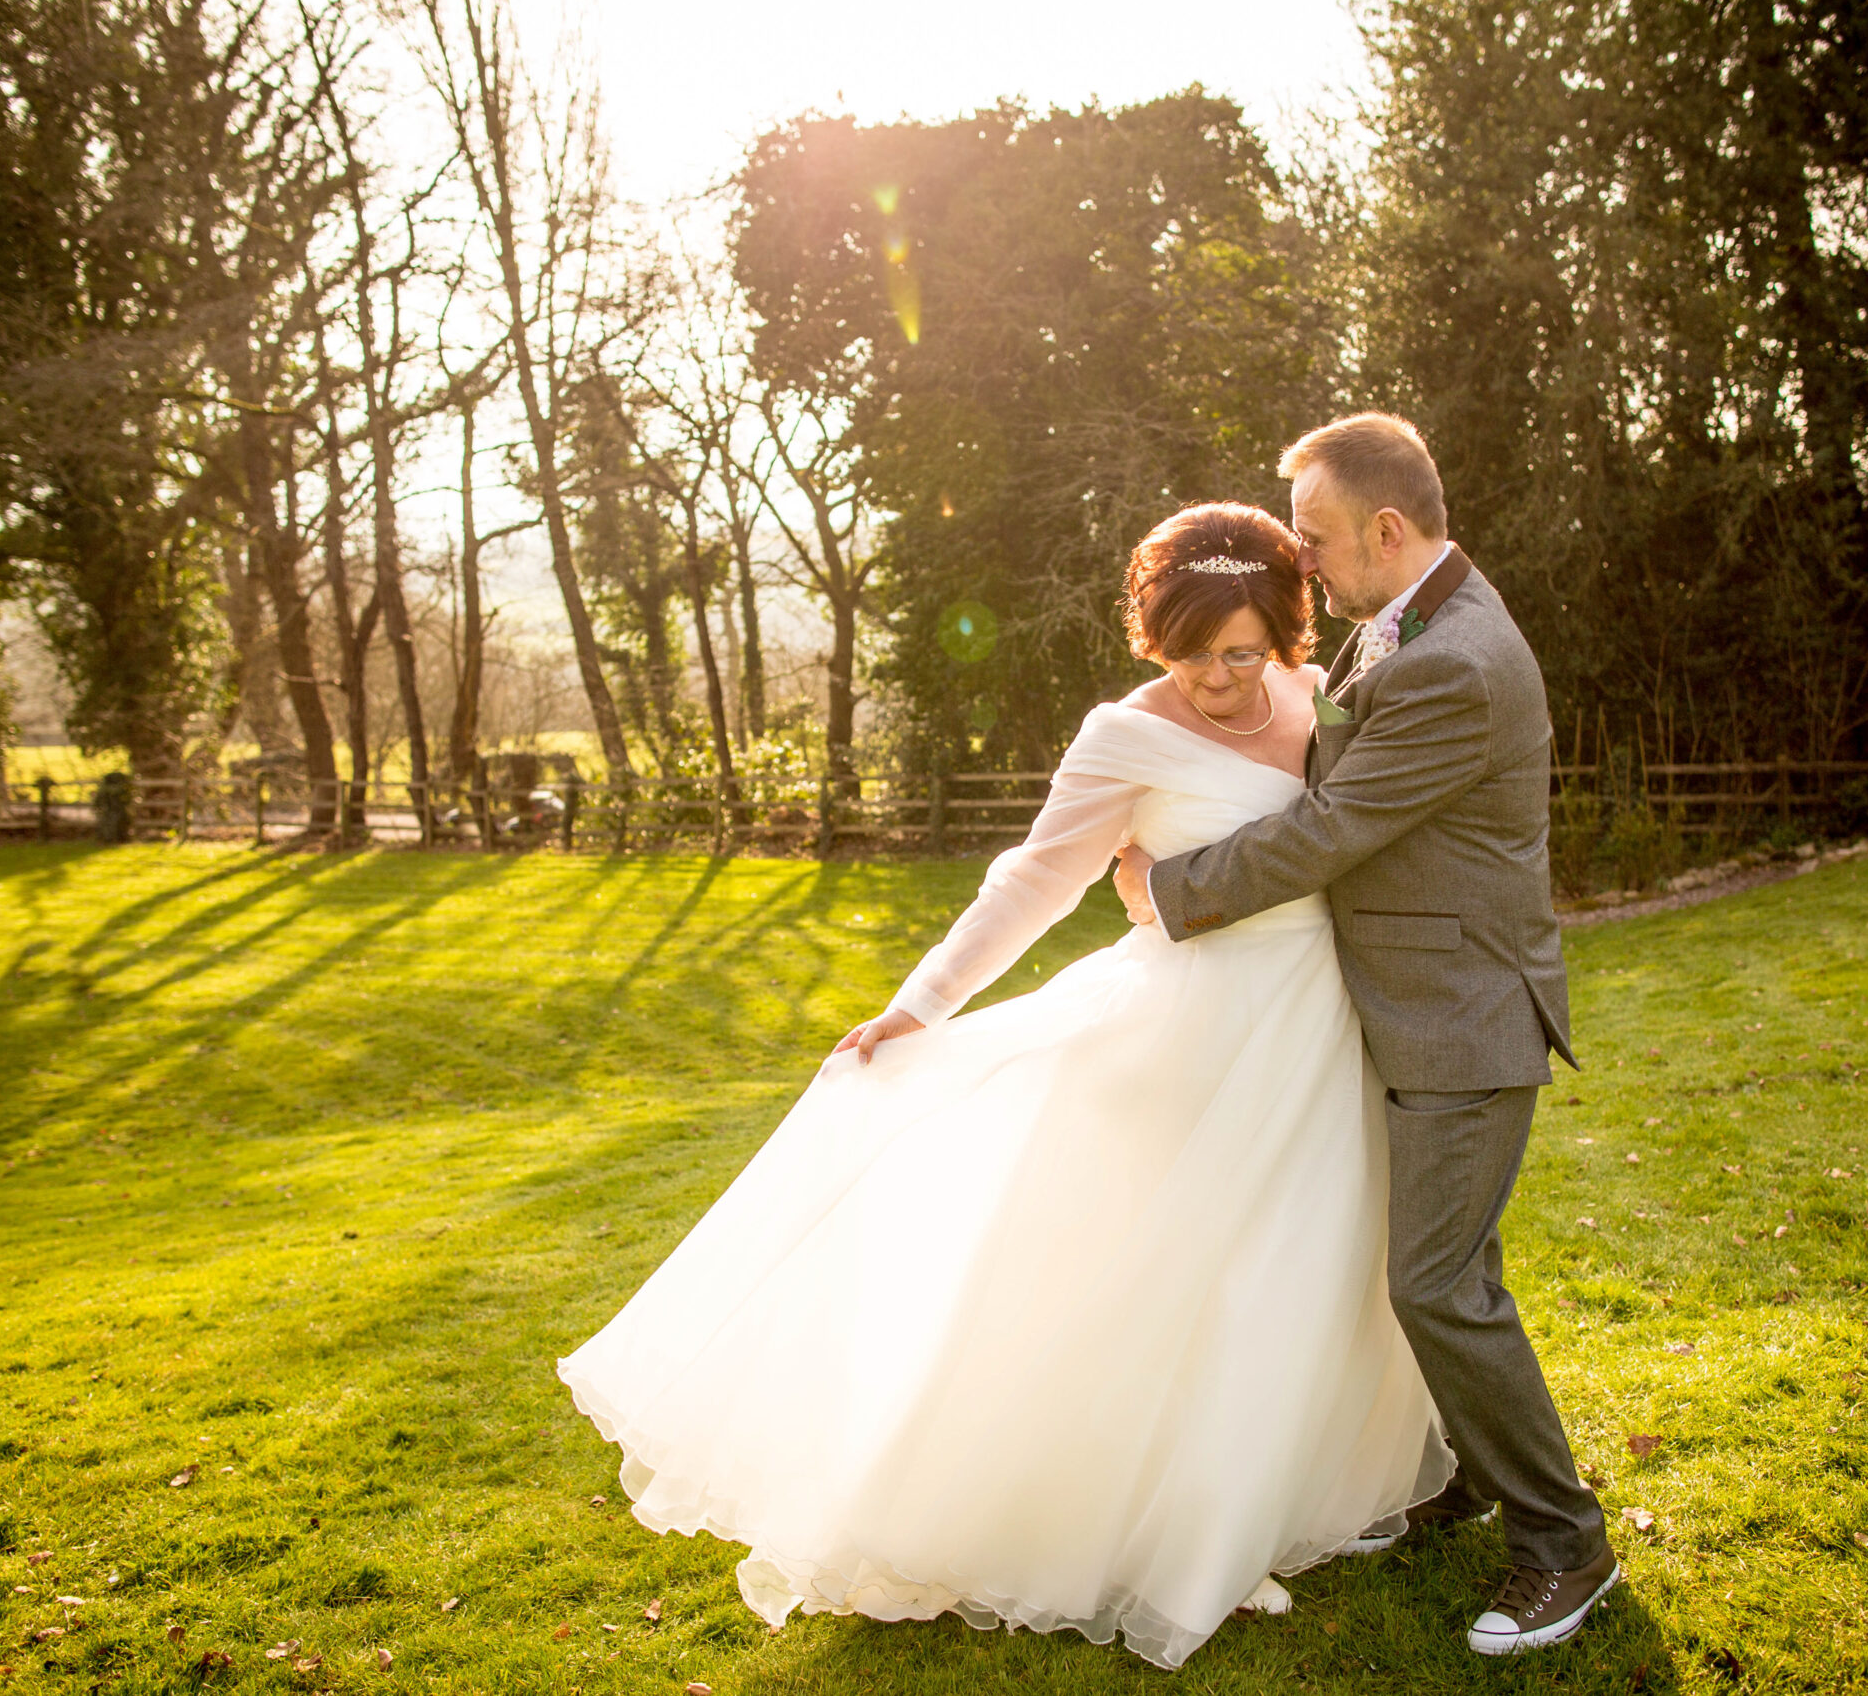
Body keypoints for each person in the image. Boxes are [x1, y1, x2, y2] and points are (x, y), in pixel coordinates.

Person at [557, 503, 1452, 1670]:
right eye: (1193, 656)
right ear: (1156, 641)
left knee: (1304, 1271)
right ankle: (1185, 1547)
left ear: (1282, 634)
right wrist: (922, 1003)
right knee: (1191, 1279)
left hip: (1321, 1026)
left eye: (1243, 653)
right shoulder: (1124, 735)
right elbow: (1034, 878)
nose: (1221, 680)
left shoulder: (1318, 697)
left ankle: (1257, 1509)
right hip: (1195, 1035)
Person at [1114, 413, 1615, 1656]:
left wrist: (1169, 890)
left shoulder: (1456, 663)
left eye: (1316, 537)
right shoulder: (1404, 621)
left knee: (1437, 1285)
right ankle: (1464, 1476)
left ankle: (1565, 1545)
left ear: (1387, 530)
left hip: (1460, 1017)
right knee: (1435, 1273)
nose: (1301, 560)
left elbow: (1331, 828)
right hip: (1403, 1006)